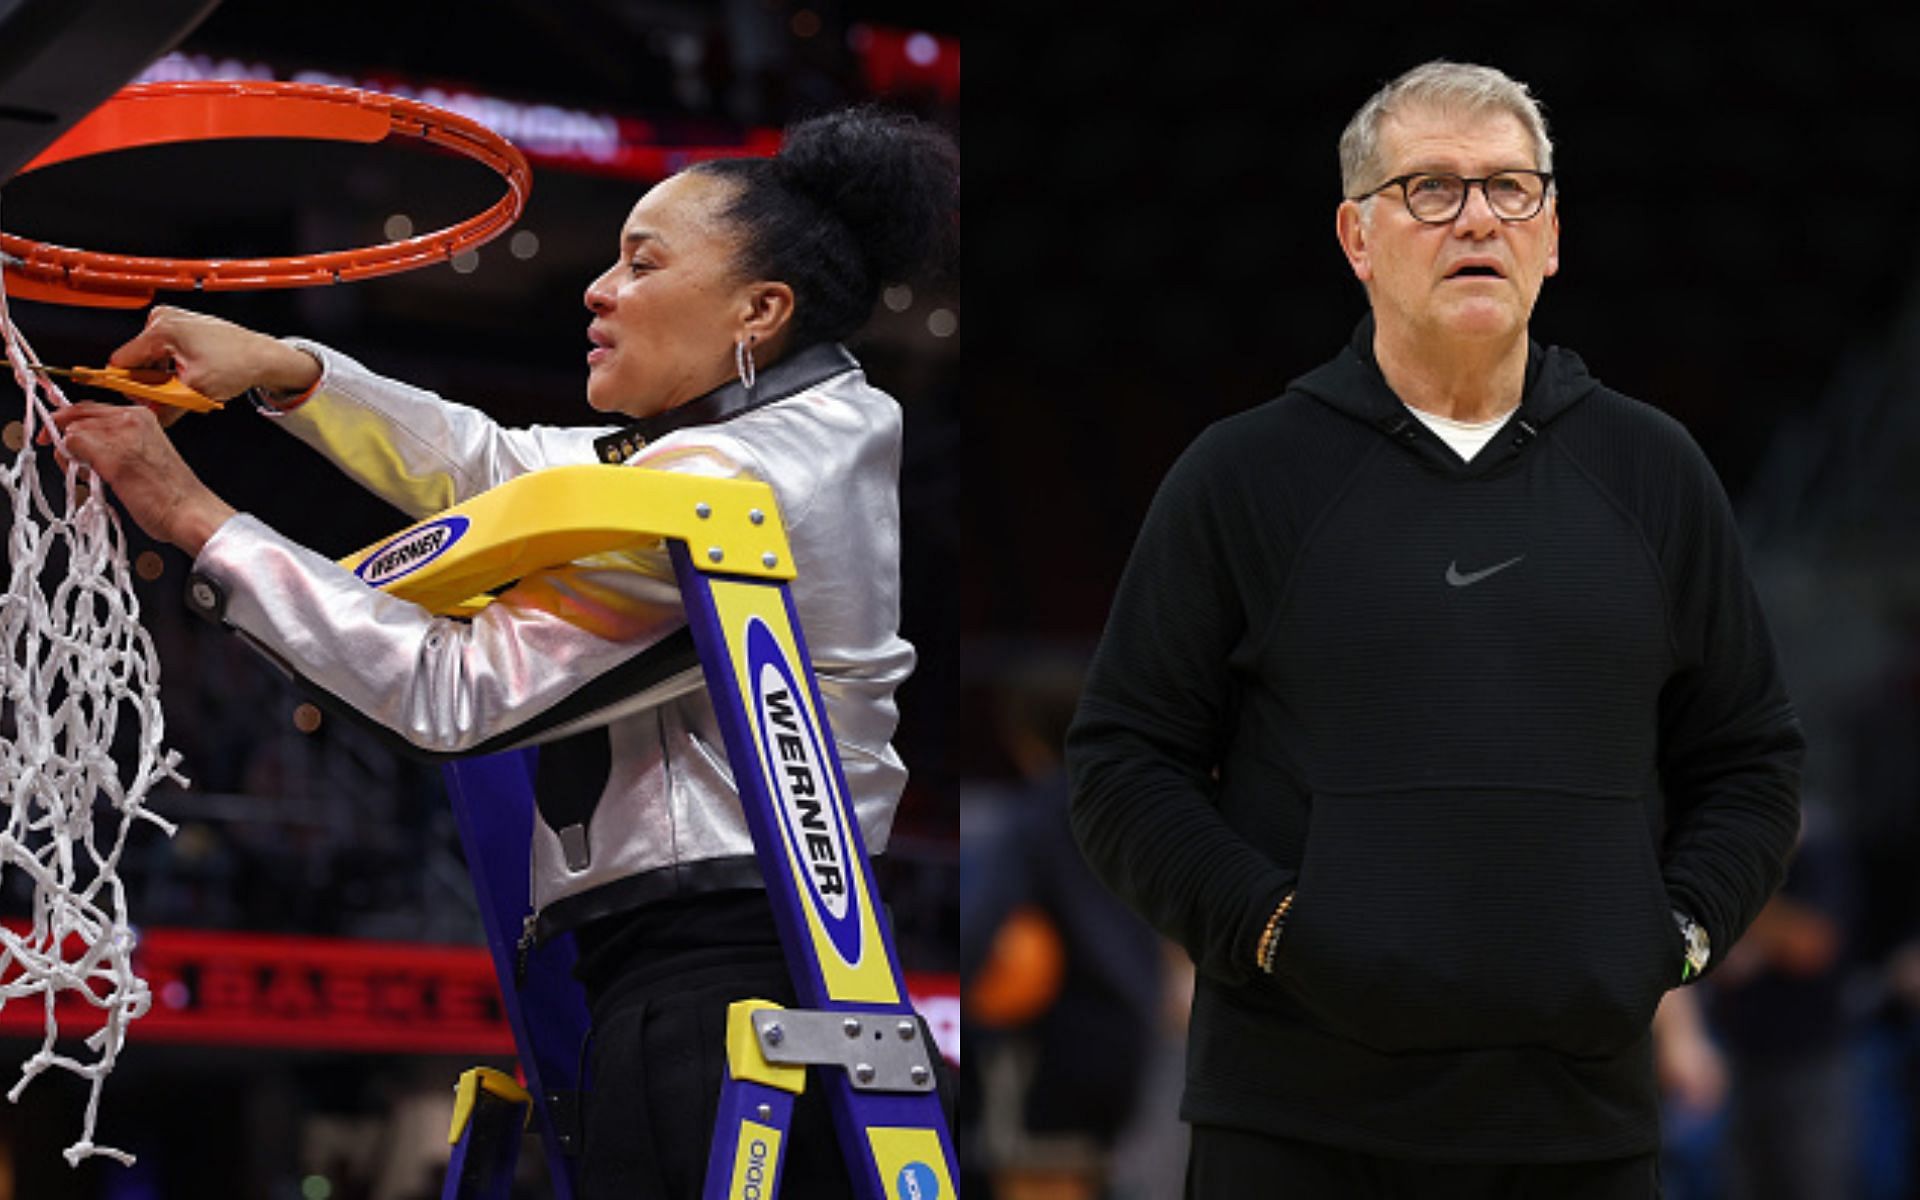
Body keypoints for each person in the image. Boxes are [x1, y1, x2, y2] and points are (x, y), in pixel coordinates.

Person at [47, 103, 958, 1198]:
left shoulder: (729, 481)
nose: (597, 288)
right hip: (720, 972)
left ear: (758, 310)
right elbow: (503, 463)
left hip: (718, 985)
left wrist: (195, 517)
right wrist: (286, 370)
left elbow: (450, 689)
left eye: (641, 262)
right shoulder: (776, 436)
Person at [1064, 59, 1804, 1199]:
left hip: (1583, 1131)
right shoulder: (1244, 473)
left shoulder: (1655, 471)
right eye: (1431, 190)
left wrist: (1678, 935)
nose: (1476, 220)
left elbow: (1750, 760)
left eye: (1510, 190)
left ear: (1551, 235)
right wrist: (1271, 929)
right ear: (1359, 239)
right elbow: (1123, 765)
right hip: (1295, 1126)